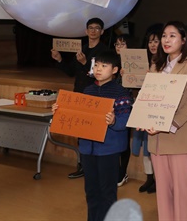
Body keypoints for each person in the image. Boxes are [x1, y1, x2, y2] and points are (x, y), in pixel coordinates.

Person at [52, 50, 133, 221]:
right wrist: (60, 111)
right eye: (96, 65)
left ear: (115, 70)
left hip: (108, 151)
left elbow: (126, 120)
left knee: (107, 192)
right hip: (87, 149)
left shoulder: (121, 93)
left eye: (104, 66)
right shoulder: (87, 90)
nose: (98, 69)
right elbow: (77, 116)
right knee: (91, 191)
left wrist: (114, 121)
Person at [145, 21, 187, 221]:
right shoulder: (156, 64)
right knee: (163, 192)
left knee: (182, 192)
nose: (166, 40)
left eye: (172, 36)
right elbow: (149, 98)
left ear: (183, 40)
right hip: (157, 138)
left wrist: (172, 124)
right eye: (164, 36)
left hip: (180, 135)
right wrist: (144, 117)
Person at [51, 17, 108, 178]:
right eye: (91, 27)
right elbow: (71, 71)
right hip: (79, 94)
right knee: (80, 132)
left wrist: (84, 63)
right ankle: (83, 165)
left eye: (97, 28)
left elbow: (101, 75)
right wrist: (59, 59)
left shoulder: (105, 51)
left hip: (95, 96)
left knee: (93, 133)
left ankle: (95, 167)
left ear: (102, 32)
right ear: (85, 31)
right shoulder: (81, 49)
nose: (93, 30)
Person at [131, 27, 161, 194]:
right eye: (150, 41)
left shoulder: (166, 62)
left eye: (156, 41)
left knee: (153, 145)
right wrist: (126, 73)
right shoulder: (142, 61)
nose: (152, 44)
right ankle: (149, 178)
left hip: (157, 107)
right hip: (141, 104)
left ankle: (158, 179)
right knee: (144, 144)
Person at [113, 35, 132, 188]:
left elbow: (132, 89)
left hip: (127, 107)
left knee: (124, 140)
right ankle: (115, 171)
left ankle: (122, 172)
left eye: (123, 43)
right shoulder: (111, 62)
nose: (119, 47)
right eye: (117, 44)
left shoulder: (134, 63)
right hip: (111, 106)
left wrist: (127, 77)